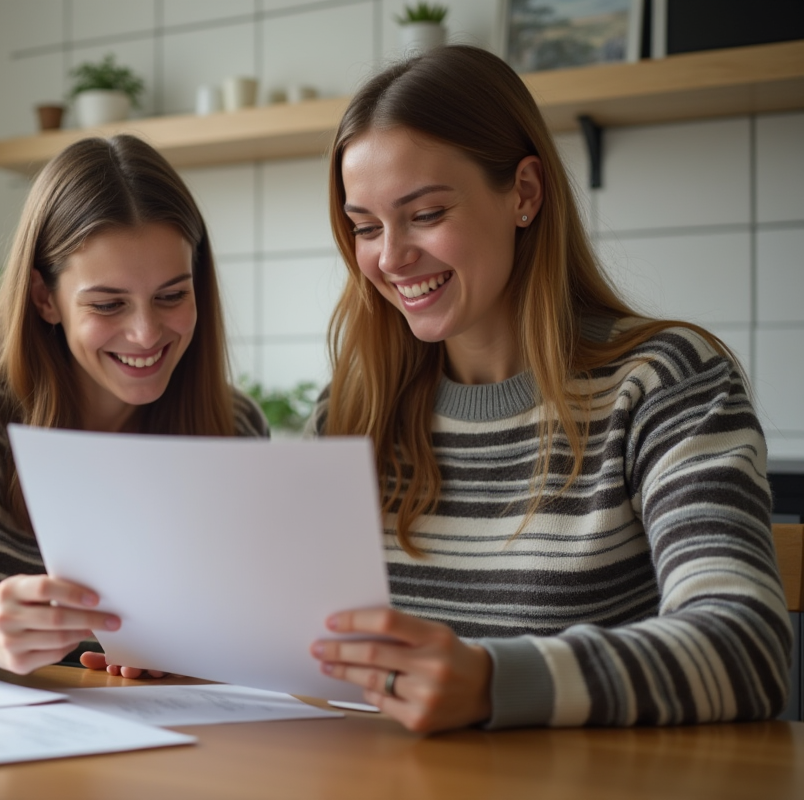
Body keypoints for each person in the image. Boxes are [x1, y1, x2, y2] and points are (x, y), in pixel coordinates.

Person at [307, 46, 790, 733]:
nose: (389, 257)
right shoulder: (350, 413)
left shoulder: (663, 382)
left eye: (426, 213)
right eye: (365, 226)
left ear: (525, 194)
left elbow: (749, 649)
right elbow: (296, 648)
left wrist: (496, 682)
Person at [0, 134, 268, 678]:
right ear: (44, 297)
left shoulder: (234, 430)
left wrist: (191, 654)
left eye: (172, 296)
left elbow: (245, 627)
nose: (146, 333)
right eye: (107, 304)